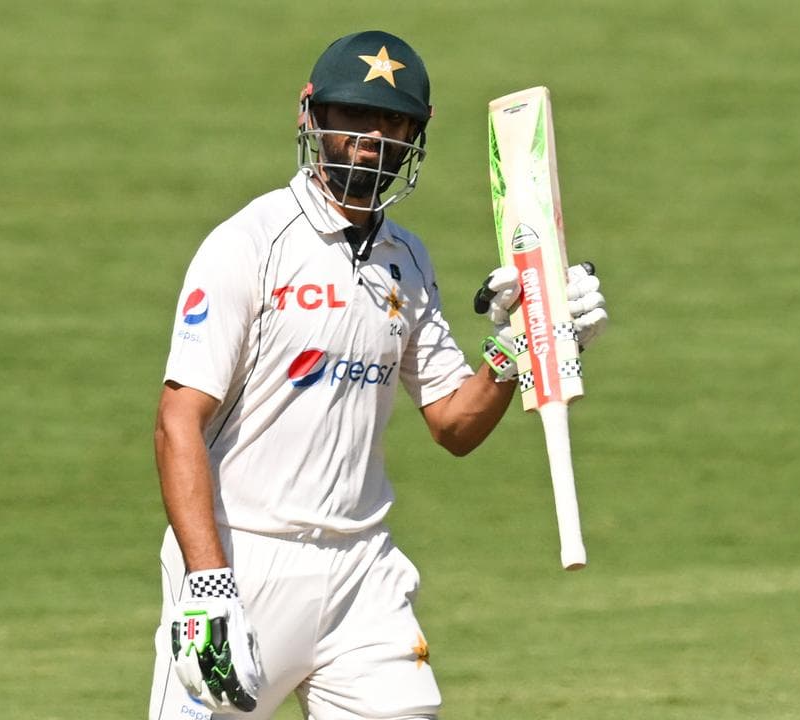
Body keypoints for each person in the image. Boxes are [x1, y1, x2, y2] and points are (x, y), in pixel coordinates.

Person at [149, 30, 608, 720]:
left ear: (416, 135)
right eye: (354, 116)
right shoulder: (250, 244)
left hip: (362, 571)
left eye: (392, 122)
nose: (371, 139)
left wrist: (521, 345)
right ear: (311, 115)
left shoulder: (407, 261)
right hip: (243, 559)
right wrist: (207, 585)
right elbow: (177, 421)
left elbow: (454, 424)